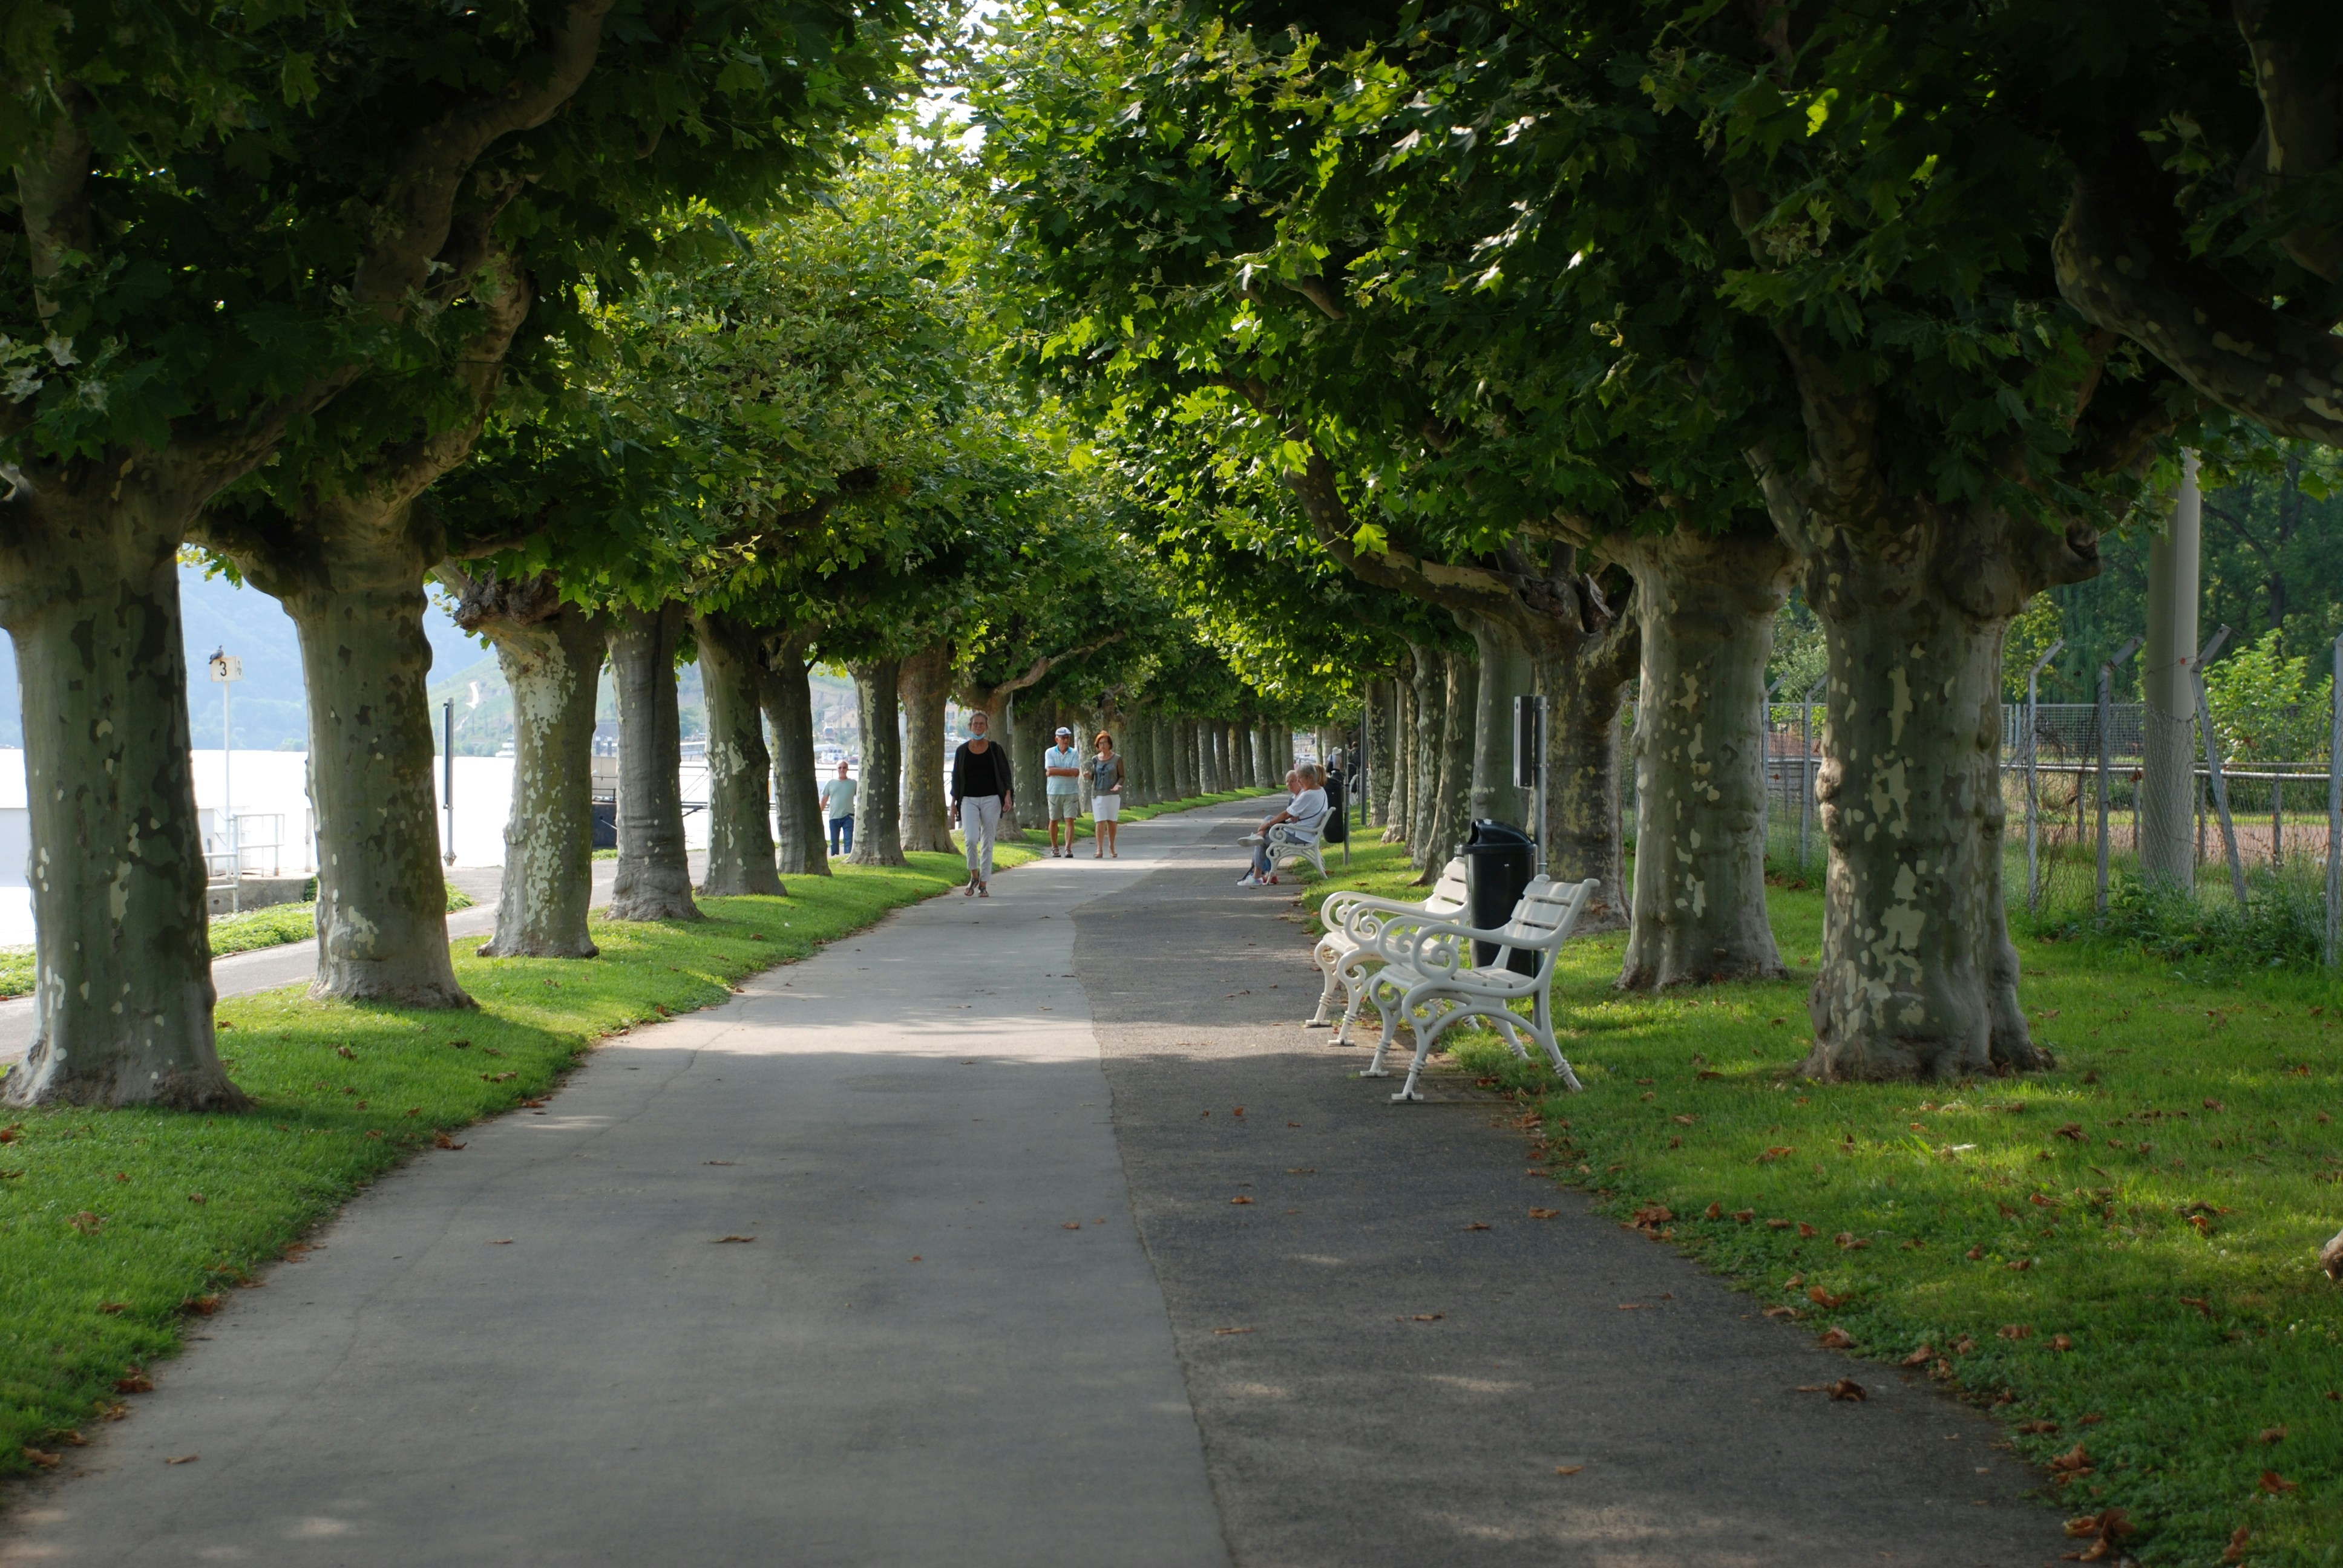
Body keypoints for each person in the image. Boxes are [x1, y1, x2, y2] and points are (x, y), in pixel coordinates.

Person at [949, 710, 1014, 897]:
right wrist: (954, 802)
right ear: (970, 727)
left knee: (988, 841)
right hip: (968, 799)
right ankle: (974, 875)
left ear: (987, 727)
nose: (978, 727)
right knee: (970, 839)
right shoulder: (962, 751)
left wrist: (1008, 794)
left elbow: (1005, 773)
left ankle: (984, 883)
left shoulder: (995, 749)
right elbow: (956, 778)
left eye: (982, 724)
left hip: (992, 799)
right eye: (975, 724)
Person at [1239, 763, 1327, 887]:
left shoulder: (1309, 795)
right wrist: (1269, 823)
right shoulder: (1320, 791)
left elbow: (1286, 814)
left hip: (1301, 835)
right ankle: (1259, 837)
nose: (1299, 783)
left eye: (1299, 779)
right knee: (1269, 820)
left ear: (1310, 777)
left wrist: (1267, 825)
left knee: (1264, 839)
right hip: (1306, 832)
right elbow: (1291, 813)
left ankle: (1256, 876)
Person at [1043, 725, 1084, 857]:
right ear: (1057, 739)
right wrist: (1067, 771)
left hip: (1071, 791)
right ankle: (1055, 847)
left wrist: (1055, 771)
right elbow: (1049, 770)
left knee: (1070, 820)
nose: (1066, 740)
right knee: (1054, 820)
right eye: (1063, 738)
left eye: (1068, 738)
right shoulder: (1049, 752)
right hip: (1054, 791)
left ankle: (1068, 848)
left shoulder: (1074, 753)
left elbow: (1076, 772)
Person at [1089, 731, 1124, 858]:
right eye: (1100, 743)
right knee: (1100, 821)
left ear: (1110, 744)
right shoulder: (1094, 759)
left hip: (1113, 794)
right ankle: (1099, 849)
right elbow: (1094, 776)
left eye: (1105, 743)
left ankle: (1112, 846)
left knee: (1112, 821)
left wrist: (1118, 785)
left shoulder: (1117, 759)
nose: (1102, 745)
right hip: (1098, 793)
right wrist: (1089, 776)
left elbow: (1122, 776)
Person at [819, 760, 857, 858]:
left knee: (848, 841)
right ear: (837, 769)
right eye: (840, 768)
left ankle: (847, 860)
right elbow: (824, 799)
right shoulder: (831, 783)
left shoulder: (854, 783)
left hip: (849, 817)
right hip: (834, 817)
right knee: (834, 843)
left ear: (847, 769)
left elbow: (861, 799)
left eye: (844, 767)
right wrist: (819, 813)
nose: (842, 770)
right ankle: (835, 859)